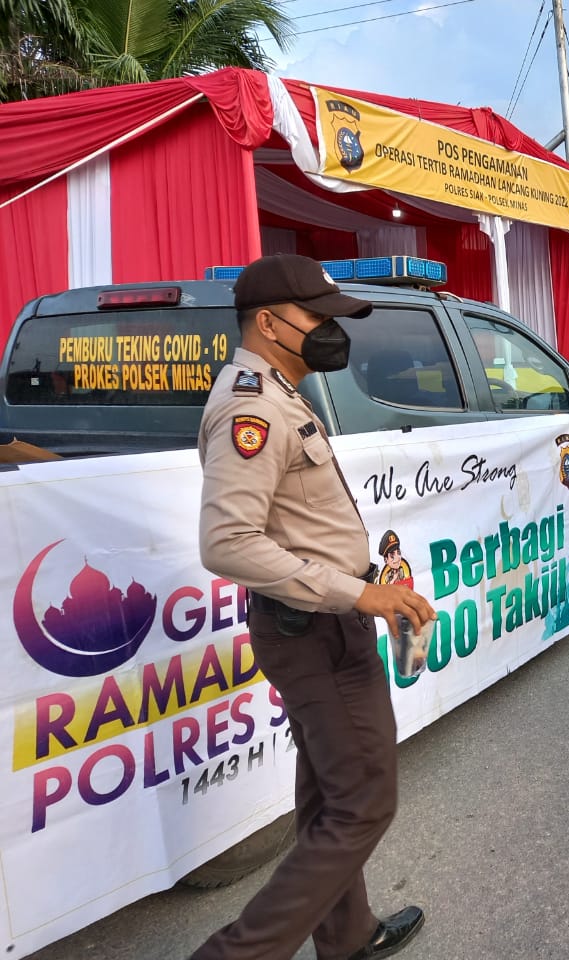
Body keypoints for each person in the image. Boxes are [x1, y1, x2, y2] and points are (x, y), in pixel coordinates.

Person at [192, 254, 436, 960]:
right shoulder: (252, 405)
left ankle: (348, 934)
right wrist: (361, 592)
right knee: (364, 802)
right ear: (269, 323)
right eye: (319, 318)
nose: (333, 331)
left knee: (332, 794)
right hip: (315, 635)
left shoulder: (276, 389)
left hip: (321, 626)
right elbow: (227, 542)